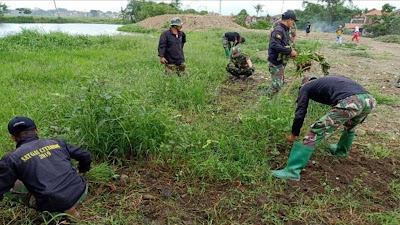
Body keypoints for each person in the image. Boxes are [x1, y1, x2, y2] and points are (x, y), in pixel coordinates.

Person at [271, 75, 376, 181]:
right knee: (350, 125)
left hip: (351, 101)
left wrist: (294, 134)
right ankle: (340, 151)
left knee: (316, 131)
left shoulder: (305, 87)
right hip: (369, 100)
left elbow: (300, 113)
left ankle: (291, 171)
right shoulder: (327, 81)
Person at [0, 117, 92, 217]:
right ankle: (70, 202)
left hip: (53, 203)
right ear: (36, 131)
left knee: (11, 185)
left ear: (12, 138)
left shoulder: (11, 158)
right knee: (62, 161)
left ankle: (63, 211)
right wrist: (81, 171)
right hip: (81, 190)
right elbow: (85, 156)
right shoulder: (57, 143)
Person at [267, 10, 298, 95]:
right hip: (275, 62)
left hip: (280, 61)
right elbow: (274, 45)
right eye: (293, 21)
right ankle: (265, 101)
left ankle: (273, 100)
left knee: (279, 82)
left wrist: (292, 50)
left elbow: (285, 44)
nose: (293, 23)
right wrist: (290, 51)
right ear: (289, 20)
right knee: (276, 86)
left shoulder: (285, 30)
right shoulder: (279, 30)